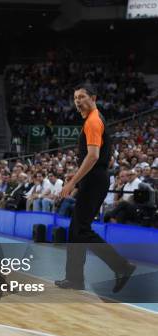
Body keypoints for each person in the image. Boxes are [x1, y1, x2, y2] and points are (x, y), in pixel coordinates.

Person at [56, 84, 136, 292]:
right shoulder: (93, 119)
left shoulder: (93, 121)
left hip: (95, 181)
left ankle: (122, 266)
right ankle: (74, 279)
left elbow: (93, 156)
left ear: (93, 98)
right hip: (93, 180)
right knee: (76, 230)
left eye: (82, 97)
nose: (77, 101)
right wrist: (76, 179)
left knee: (81, 230)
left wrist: (72, 182)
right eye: (75, 98)